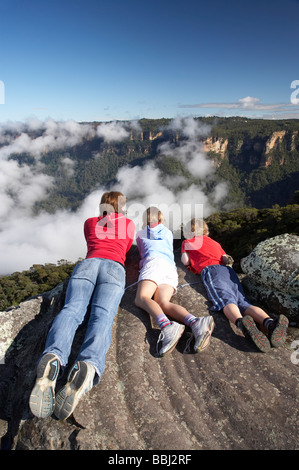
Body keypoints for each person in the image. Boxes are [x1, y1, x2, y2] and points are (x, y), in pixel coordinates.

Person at [29, 191, 135, 419]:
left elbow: (91, 242)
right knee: (102, 316)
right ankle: (88, 364)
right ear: (122, 207)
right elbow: (125, 248)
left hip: (88, 265)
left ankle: (54, 356)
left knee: (72, 310)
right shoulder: (128, 223)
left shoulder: (90, 222)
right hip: (114, 269)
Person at [181, 218, 289, 353]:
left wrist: (190, 257)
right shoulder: (215, 243)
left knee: (226, 300)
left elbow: (185, 261)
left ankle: (241, 323)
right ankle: (269, 322)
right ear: (205, 229)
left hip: (211, 270)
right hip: (228, 271)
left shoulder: (188, 242)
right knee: (244, 302)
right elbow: (225, 257)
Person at [135, 207, 214, 357]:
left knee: (142, 298)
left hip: (153, 264)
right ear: (160, 218)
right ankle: (196, 322)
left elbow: (142, 253)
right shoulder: (168, 232)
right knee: (163, 303)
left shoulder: (140, 234)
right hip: (170, 269)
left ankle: (167, 326)